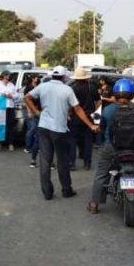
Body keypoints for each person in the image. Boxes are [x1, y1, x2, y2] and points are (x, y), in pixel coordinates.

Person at [25, 66, 100, 200]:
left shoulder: (43, 86)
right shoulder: (67, 89)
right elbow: (77, 109)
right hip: (59, 129)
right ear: (65, 77)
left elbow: (27, 97)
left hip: (44, 127)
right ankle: (66, 190)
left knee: (45, 160)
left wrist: (36, 112)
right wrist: (91, 125)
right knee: (62, 161)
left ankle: (47, 192)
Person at [87, 79, 134, 213]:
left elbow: (100, 127)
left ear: (116, 93)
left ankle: (94, 204)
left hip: (112, 148)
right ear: (131, 94)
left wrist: (98, 129)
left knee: (102, 173)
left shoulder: (108, 110)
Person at [68, 68, 99, 170]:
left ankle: (72, 163)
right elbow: (98, 101)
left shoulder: (72, 88)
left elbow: (70, 104)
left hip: (75, 116)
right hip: (89, 116)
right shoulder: (92, 87)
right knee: (88, 140)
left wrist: (69, 113)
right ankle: (87, 163)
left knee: (72, 140)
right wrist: (95, 112)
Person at [0, 70, 18, 151]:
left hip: (10, 107)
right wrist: (0, 95)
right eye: (7, 75)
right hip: (1, 108)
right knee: (1, 125)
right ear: (3, 76)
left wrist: (12, 96)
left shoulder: (12, 85)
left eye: (9, 75)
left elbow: (17, 95)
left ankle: (11, 143)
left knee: (10, 126)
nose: (9, 76)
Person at [23, 74, 41, 166]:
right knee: (32, 129)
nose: (37, 79)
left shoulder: (37, 87)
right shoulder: (29, 87)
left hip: (37, 111)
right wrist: (29, 111)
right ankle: (28, 146)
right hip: (32, 111)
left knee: (35, 131)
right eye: (35, 77)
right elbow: (26, 100)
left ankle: (33, 150)